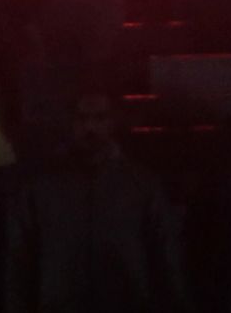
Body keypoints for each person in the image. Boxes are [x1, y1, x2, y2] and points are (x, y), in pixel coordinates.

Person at [10, 91, 193, 313]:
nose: (90, 128)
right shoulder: (41, 189)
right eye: (82, 119)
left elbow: (166, 260)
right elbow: (19, 264)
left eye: (99, 118)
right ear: (70, 122)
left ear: (113, 122)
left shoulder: (142, 186)